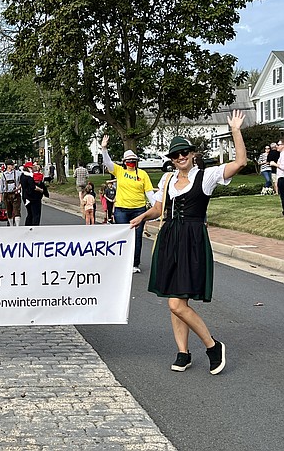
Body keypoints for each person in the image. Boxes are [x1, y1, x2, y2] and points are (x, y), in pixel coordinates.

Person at [130, 110, 247, 375]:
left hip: (192, 240)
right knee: (176, 300)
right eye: (175, 155)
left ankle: (212, 345)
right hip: (170, 238)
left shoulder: (205, 176)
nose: (180, 157)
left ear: (192, 154)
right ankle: (183, 352)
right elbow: (160, 206)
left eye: (184, 153)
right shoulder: (167, 178)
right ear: (171, 160)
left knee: (176, 303)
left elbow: (240, 162)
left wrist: (236, 130)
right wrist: (141, 218)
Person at [100, 140, 155, 273]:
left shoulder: (142, 174)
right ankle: (122, 262)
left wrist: (156, 207)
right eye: (128, 160)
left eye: (133, 160)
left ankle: (135, 264)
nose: (131, 162)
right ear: (124, 161)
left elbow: (149, 192)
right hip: (121, 210)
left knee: (137, 237)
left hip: (139, 210)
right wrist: (104, 148)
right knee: (123, 237)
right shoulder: (119, 171)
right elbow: (108, 162)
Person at [20, 161, 48, 226]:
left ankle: (27, 227)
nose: (32, 169)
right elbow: (33, 187)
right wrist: (41, 190)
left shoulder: (22, 176)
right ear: (28, 168)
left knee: (30, 213)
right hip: (33, 198)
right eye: (31, 167)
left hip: (25, 197)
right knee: (36, 214)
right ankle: (35, 228)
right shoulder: (29, 177)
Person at [0, 159, 22, 227]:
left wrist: (19, 187)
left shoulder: (18, 173)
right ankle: (11, 225)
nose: (13, 166)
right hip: (7, 194)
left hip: (16, 194)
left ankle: (17, 226)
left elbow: (22, 182)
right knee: (9, 211)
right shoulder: (3, 175)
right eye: (12, 165)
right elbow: (1, 186)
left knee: (17, 210)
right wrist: (0, 197)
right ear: (8, 166)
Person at [272, 140, 284, 216]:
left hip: (283, 178)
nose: (277, 146)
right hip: (281, 177)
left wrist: (275, 164)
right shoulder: (281, 155)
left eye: (278, 145)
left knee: (283, 196)